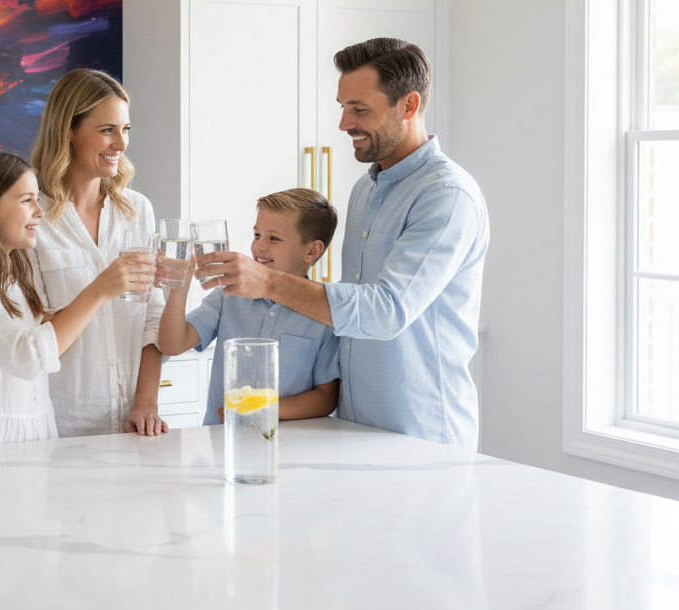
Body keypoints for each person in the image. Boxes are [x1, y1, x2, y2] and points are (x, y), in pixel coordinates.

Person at [194, 38, 489, 450]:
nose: (344, 124)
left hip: (421, 432)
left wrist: (267, 282)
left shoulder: (446, 195)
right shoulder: (364, 191)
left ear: (408, 105)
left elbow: (386, 311)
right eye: (343, 107)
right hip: (353, 429)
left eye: (360, 109)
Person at [0, 151, 151, 449]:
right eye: (26, 200)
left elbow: (51, 334)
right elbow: (27, 357)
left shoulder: (14, 278)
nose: (39, 211)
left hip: (32, 444)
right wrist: (100, 289)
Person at [26, 69, 169, 438]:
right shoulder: (32, 217)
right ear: (68, 131)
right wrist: (103, 285)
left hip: (133, 425)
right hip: (58, 425)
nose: (121, 144)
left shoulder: (137, 210)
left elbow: (152, 315)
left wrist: (146, 404)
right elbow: (35, 337)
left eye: (126, 129)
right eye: (107, 130)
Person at [158, 188, 341, 425]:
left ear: (311, 251)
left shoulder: (324, 313)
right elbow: (172, 344)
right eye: (257, 235)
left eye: (274, 238)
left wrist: (262, 409)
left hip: (290, 447)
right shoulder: (228, 295)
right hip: (223, 444)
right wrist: (179, 285)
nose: (259, 247)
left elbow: (326, 398)